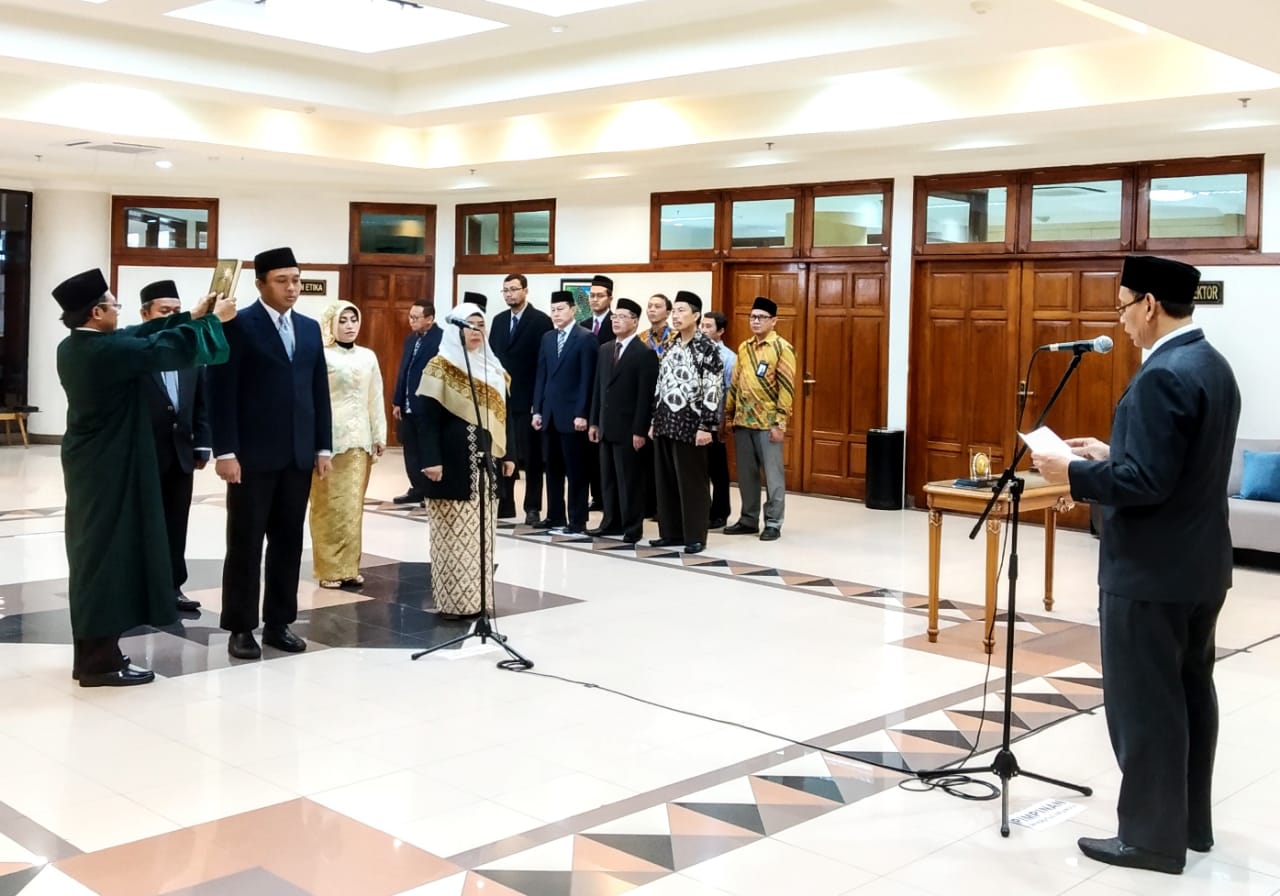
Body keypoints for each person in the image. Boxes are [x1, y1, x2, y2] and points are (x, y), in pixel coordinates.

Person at [1033, 255, 1240, 876]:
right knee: (1189, 695)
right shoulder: (1210, 363)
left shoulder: (1162, 375)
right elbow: (1172, 464)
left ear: (1150, 304)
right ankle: (1189, 825)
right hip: (1199, 566)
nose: (1119, 320)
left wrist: (1070, 471)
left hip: (1149, 573)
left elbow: (1145, 483)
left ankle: (1150, 839)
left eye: (1122, 305)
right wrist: (1109, 450)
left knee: (1145, 706)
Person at [53, 268, 233, 687]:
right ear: (97, 312)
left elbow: (141, 334)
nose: (119, 311)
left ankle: (99, 653)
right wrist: (211, 322)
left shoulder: (81, 344)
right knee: (103, 561)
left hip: (100, 465)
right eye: (113, 305)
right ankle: (98, 661)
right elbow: (158, 347)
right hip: (105, 470)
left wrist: (191, 313)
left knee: (105, 557)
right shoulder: (103, 352)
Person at [209, 247, 333, 661]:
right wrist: (224, 450)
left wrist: (322, 446)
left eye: (296, 280)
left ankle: (279, 622)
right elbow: (221, 392)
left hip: (297, 456)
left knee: (287, 543)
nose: (292, 288)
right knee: (244, 544)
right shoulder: (238, 325)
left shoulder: (311, 329)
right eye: (283, 281)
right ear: (260, 283)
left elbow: (318, 393)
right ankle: (241, 626)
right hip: (251, 458)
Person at [415, 302, 514, 620]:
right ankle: (454, 602)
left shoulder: (492, 367)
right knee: (454, 537)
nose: (475, 331)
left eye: (480, 325)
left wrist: (508, 454)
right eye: (469, 325)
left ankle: (479, 598)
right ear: (456, 328)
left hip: (485, 466)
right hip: (451, 466)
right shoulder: (439, 366)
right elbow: (425, 419)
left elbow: (502, 417)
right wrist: (431, 459)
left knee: (481, 536)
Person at [138, 280, 212, 613]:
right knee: (144, 524)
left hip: (181, 454)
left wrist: (203, 444)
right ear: (145, 314)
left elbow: (200, 402)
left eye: (176, 311)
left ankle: (173, 587)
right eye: (164, 312)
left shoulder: (189, 352)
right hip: (144, 455)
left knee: (176, 522)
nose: (172, 317)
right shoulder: (138, 351)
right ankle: (141, 590)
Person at [309, 300, 386, 589]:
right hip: (330, 440)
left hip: (360, 442)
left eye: (354, 319)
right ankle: (329, 569)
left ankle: (349, 567)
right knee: (328, 506)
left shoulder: (368, 356)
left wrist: (379, 434)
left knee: (353, 506)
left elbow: (375, 396)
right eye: (343, 320)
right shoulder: (322, 356)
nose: (350, 325)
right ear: (331, 324)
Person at [649, 290, 722, 555]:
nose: (676, 316)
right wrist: (653, 420)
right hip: (666, 421)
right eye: (675, 311)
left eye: (682, 311)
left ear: (696, 315)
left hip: (692, 426)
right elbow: (661, 383)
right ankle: (670, 532)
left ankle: (695, 535)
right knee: (665, 480)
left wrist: (707, 426)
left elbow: (713, 389)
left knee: (692, 482)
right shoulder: (669, 344)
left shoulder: (707, 348)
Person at [724, 296, 796, 542]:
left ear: (774, 321)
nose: (755, 321)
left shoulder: (782, 349)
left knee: (773, 476)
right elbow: (735, 382)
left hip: (768, 424)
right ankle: (748, 519)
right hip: (743, 421)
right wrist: (729, 414)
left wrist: (780, 423)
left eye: (761, 317)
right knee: (746, 474)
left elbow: (787, 389)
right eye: (752, 317)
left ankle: (774, 522)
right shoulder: (744, 347)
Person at [588, 298, 658, 543]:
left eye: (622, 316)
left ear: (635, 321)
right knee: (607, 479)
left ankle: (632, 527)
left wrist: (639, 430)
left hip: (629, 430)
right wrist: (594, 422)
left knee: (630, 481)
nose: (616, 320)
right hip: (606, 426)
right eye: (614, 317)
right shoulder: (606, 349)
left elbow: (645, 396)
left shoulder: (644, 354)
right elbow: (599, 389)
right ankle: (610, 522)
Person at [532, 290, 597, 534]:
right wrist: (537, 410)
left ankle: (577, 519)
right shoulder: (547, 337)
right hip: (549, 414)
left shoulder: (585, 338)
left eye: (560, 309)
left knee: (576, 470)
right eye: (553, 309)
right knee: (553, 469)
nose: (556, 314)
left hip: (573, 416)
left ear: (573, 310)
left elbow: (587, 379)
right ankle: (554, 515)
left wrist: (582, 413)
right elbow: (542, 375)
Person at [490, 274, 553, 524]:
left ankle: (533, 507)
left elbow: (543, 364)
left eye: (514, 290)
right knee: (504, 453)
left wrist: (538, 402)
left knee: (533, 457)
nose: (509, 294)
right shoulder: (498, 320)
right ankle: (505, 503)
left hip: (529, 399)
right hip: (503, 399)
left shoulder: (540, 321)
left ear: (525, 291)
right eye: (505, 290)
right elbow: (494, 359)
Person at [391, 299, 441, 507]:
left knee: (427, 448)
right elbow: (405, 370)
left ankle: (431, 490)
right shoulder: (411, 339)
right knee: (410, 448)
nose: (410, 320)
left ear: (429, 319)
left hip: (427, 404)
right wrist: (397, 401)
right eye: (410, 316)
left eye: (415, 317)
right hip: (408, 403)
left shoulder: (441, 339)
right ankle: (417, 488)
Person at [701, 310, 737, 530]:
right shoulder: (697, 351)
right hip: (697, 423)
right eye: (702, 326)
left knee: (718, 471)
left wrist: (725, 421)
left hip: (716, 421)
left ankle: (721, 512)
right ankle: (702, 509)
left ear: (720, 331)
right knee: (699, 470)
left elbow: (729, 391)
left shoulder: (728, 358)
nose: (704, 330)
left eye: (709, 327)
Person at [581, 274, 615, 344]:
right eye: (592, 295)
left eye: (600, 296)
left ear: (610, 299)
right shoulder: (583, 326)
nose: (595, 299)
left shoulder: (615, 324)